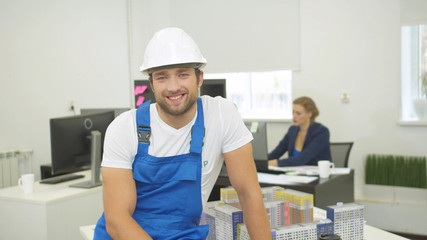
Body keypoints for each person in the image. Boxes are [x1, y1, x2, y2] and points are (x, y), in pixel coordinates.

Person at [93, 27, 271, 239]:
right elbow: (117, 220)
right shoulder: (124, 128)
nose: (173, 87)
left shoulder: (222, 116)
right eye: (162, 78)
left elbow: (249, 193)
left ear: (199, 78)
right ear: (150, 83)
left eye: (183, 74)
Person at [268, 96, 331, 167]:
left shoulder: (322, 132)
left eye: (298, 113)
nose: (294, 116)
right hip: (295, 174)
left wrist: (272, 163)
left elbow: (302, 159)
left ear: (309, 114)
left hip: (317, 174)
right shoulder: (292, 130)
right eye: (293, 112)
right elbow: (276, 152)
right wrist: (259, 161)